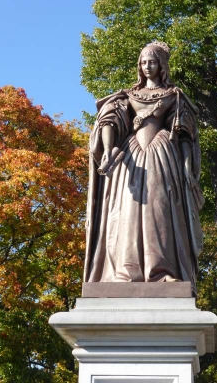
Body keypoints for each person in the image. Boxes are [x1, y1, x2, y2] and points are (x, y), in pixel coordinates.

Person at [84, 41, 204, 294]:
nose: (147, 66)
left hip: (162, 156)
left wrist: (186, 168)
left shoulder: (174, 95)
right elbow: (110, 120)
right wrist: (107, 151)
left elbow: (183, 133)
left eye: (152, 62)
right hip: (131, 159)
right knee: (127, 212)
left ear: (162, 65)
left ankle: (163, 272)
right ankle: (124, 272)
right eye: (143, 62)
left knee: (159, 211)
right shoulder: (127, 95)